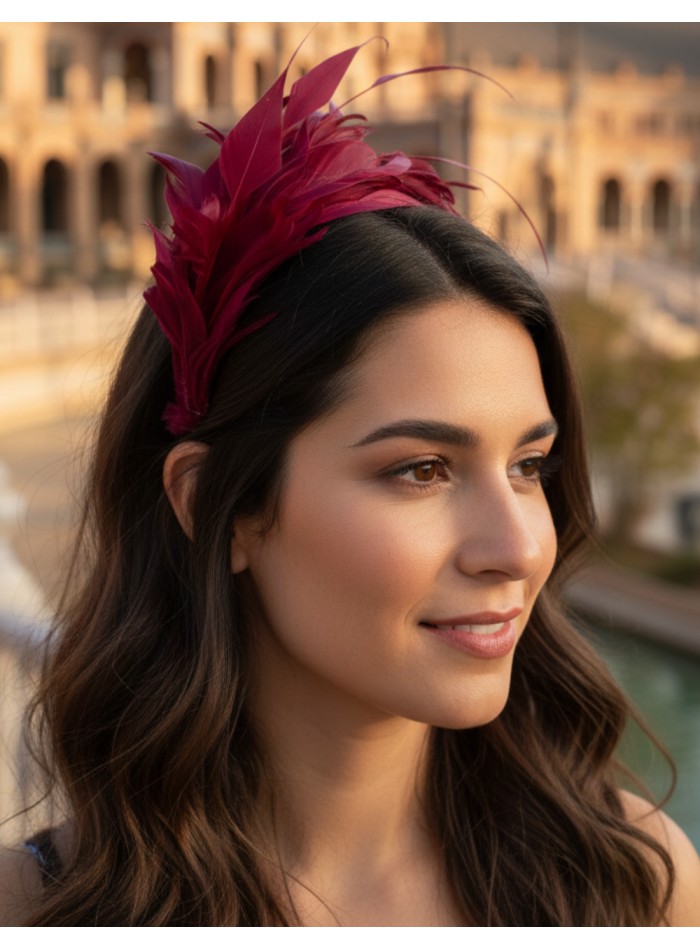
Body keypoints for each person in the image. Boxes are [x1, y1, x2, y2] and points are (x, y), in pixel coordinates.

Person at [1, 42, 699, 927]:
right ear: (219, 506)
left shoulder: (638, 883)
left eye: (529, 466)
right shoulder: (30, 913)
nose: (521, 547)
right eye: (423, 470)